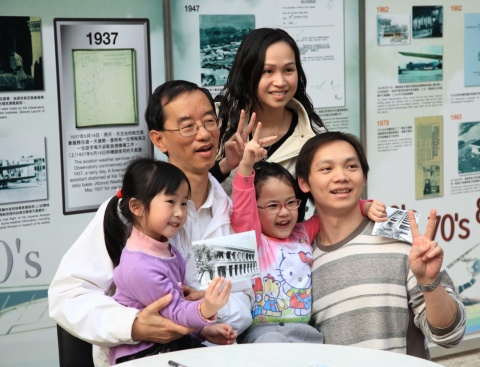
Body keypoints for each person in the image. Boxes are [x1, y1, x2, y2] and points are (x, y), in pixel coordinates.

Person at [48, 80, 253, 367]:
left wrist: (208, 307)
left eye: (209, 120)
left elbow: (244, 299)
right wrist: (132, 324)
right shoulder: (125, 213)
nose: (204, 133)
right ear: (158, 140)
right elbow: (67, 294)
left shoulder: (229, 208)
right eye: (187, 126)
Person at [295, 132, 466, 359]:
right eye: (326, 169)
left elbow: (451, 335)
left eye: (351, 166)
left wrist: (430, 283)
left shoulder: (400, 238)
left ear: (364, 177)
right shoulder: (299, 260)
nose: (341, 176)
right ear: (304, 182)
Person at [231, 125, 385, 343]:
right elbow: (243, 208)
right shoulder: (254, 239)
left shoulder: (303, 232)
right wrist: (246, 166)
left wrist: (364, 206)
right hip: (265, 332)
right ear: (255, 210)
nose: (284, 212)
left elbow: (334, 212)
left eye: (290, 202)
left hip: (306, 331)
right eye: (272, 205)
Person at [104, 158, 235, 364]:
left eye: (184, 203)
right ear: (136, 207)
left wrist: (202, 331)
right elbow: (174, 313)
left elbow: (174, 306)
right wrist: (207, 307)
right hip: (142, 356)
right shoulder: (140, 266)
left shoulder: (165, 248)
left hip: (169, 346)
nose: (180, 212)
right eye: (171, 202)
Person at [214, 27, 327, 221]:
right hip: (222, 247)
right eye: (268, 71)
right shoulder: (217, 123)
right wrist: (225, 165)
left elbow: (328, 197)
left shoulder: (313, 137)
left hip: (282, 250)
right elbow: (189, 187)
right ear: (248, 73)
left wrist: (362, 208)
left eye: (289, 70)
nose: (280, 81)